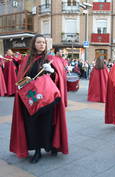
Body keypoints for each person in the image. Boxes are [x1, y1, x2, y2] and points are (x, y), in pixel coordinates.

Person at [10, 34, 68, 163]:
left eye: (43, 42)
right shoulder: (27, 60)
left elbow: (59, 79)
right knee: (33, 125)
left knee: (48, 124)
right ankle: (37, 151)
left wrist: (52, 72)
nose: (42, 44)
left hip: (47, 98)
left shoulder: (50, 59)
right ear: (34, 44)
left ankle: (52, 146)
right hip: (32, 99)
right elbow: (20, 80)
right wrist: (25, 81)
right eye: (39, 42)